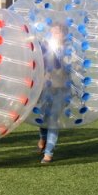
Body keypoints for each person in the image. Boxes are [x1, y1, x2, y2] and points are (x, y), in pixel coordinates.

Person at [36, 23, 72, 164]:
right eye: (51, 33)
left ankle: (48, 153)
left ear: (63, 34)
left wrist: (62, 58)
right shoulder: (46, 48)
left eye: (56, 33)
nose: (53, 35)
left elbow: (73, 68)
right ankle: (43, 137)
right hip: (47, 88)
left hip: (62, 89)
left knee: (53, 119)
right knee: (43, 116)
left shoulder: (70, 50)